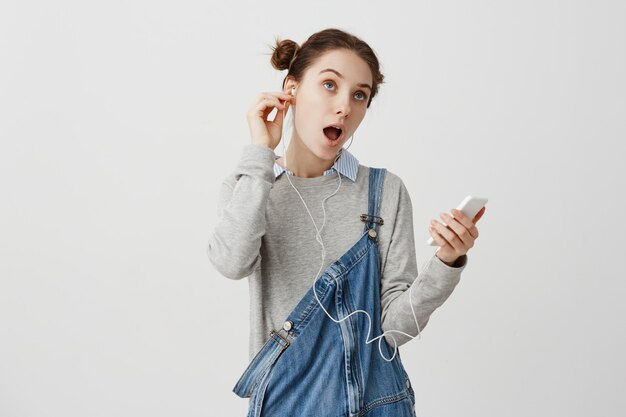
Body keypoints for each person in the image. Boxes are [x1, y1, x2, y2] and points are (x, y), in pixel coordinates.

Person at [207, 27, 485, 417]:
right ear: (291, 89)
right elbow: (231, 262)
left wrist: (447, 263)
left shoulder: (384, 190)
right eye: (328, 85)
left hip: (378, 404)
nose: (344, 107)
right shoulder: (252, 185)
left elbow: (395, 330)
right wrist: (259, 152)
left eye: (360, 95)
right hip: (287, 405)